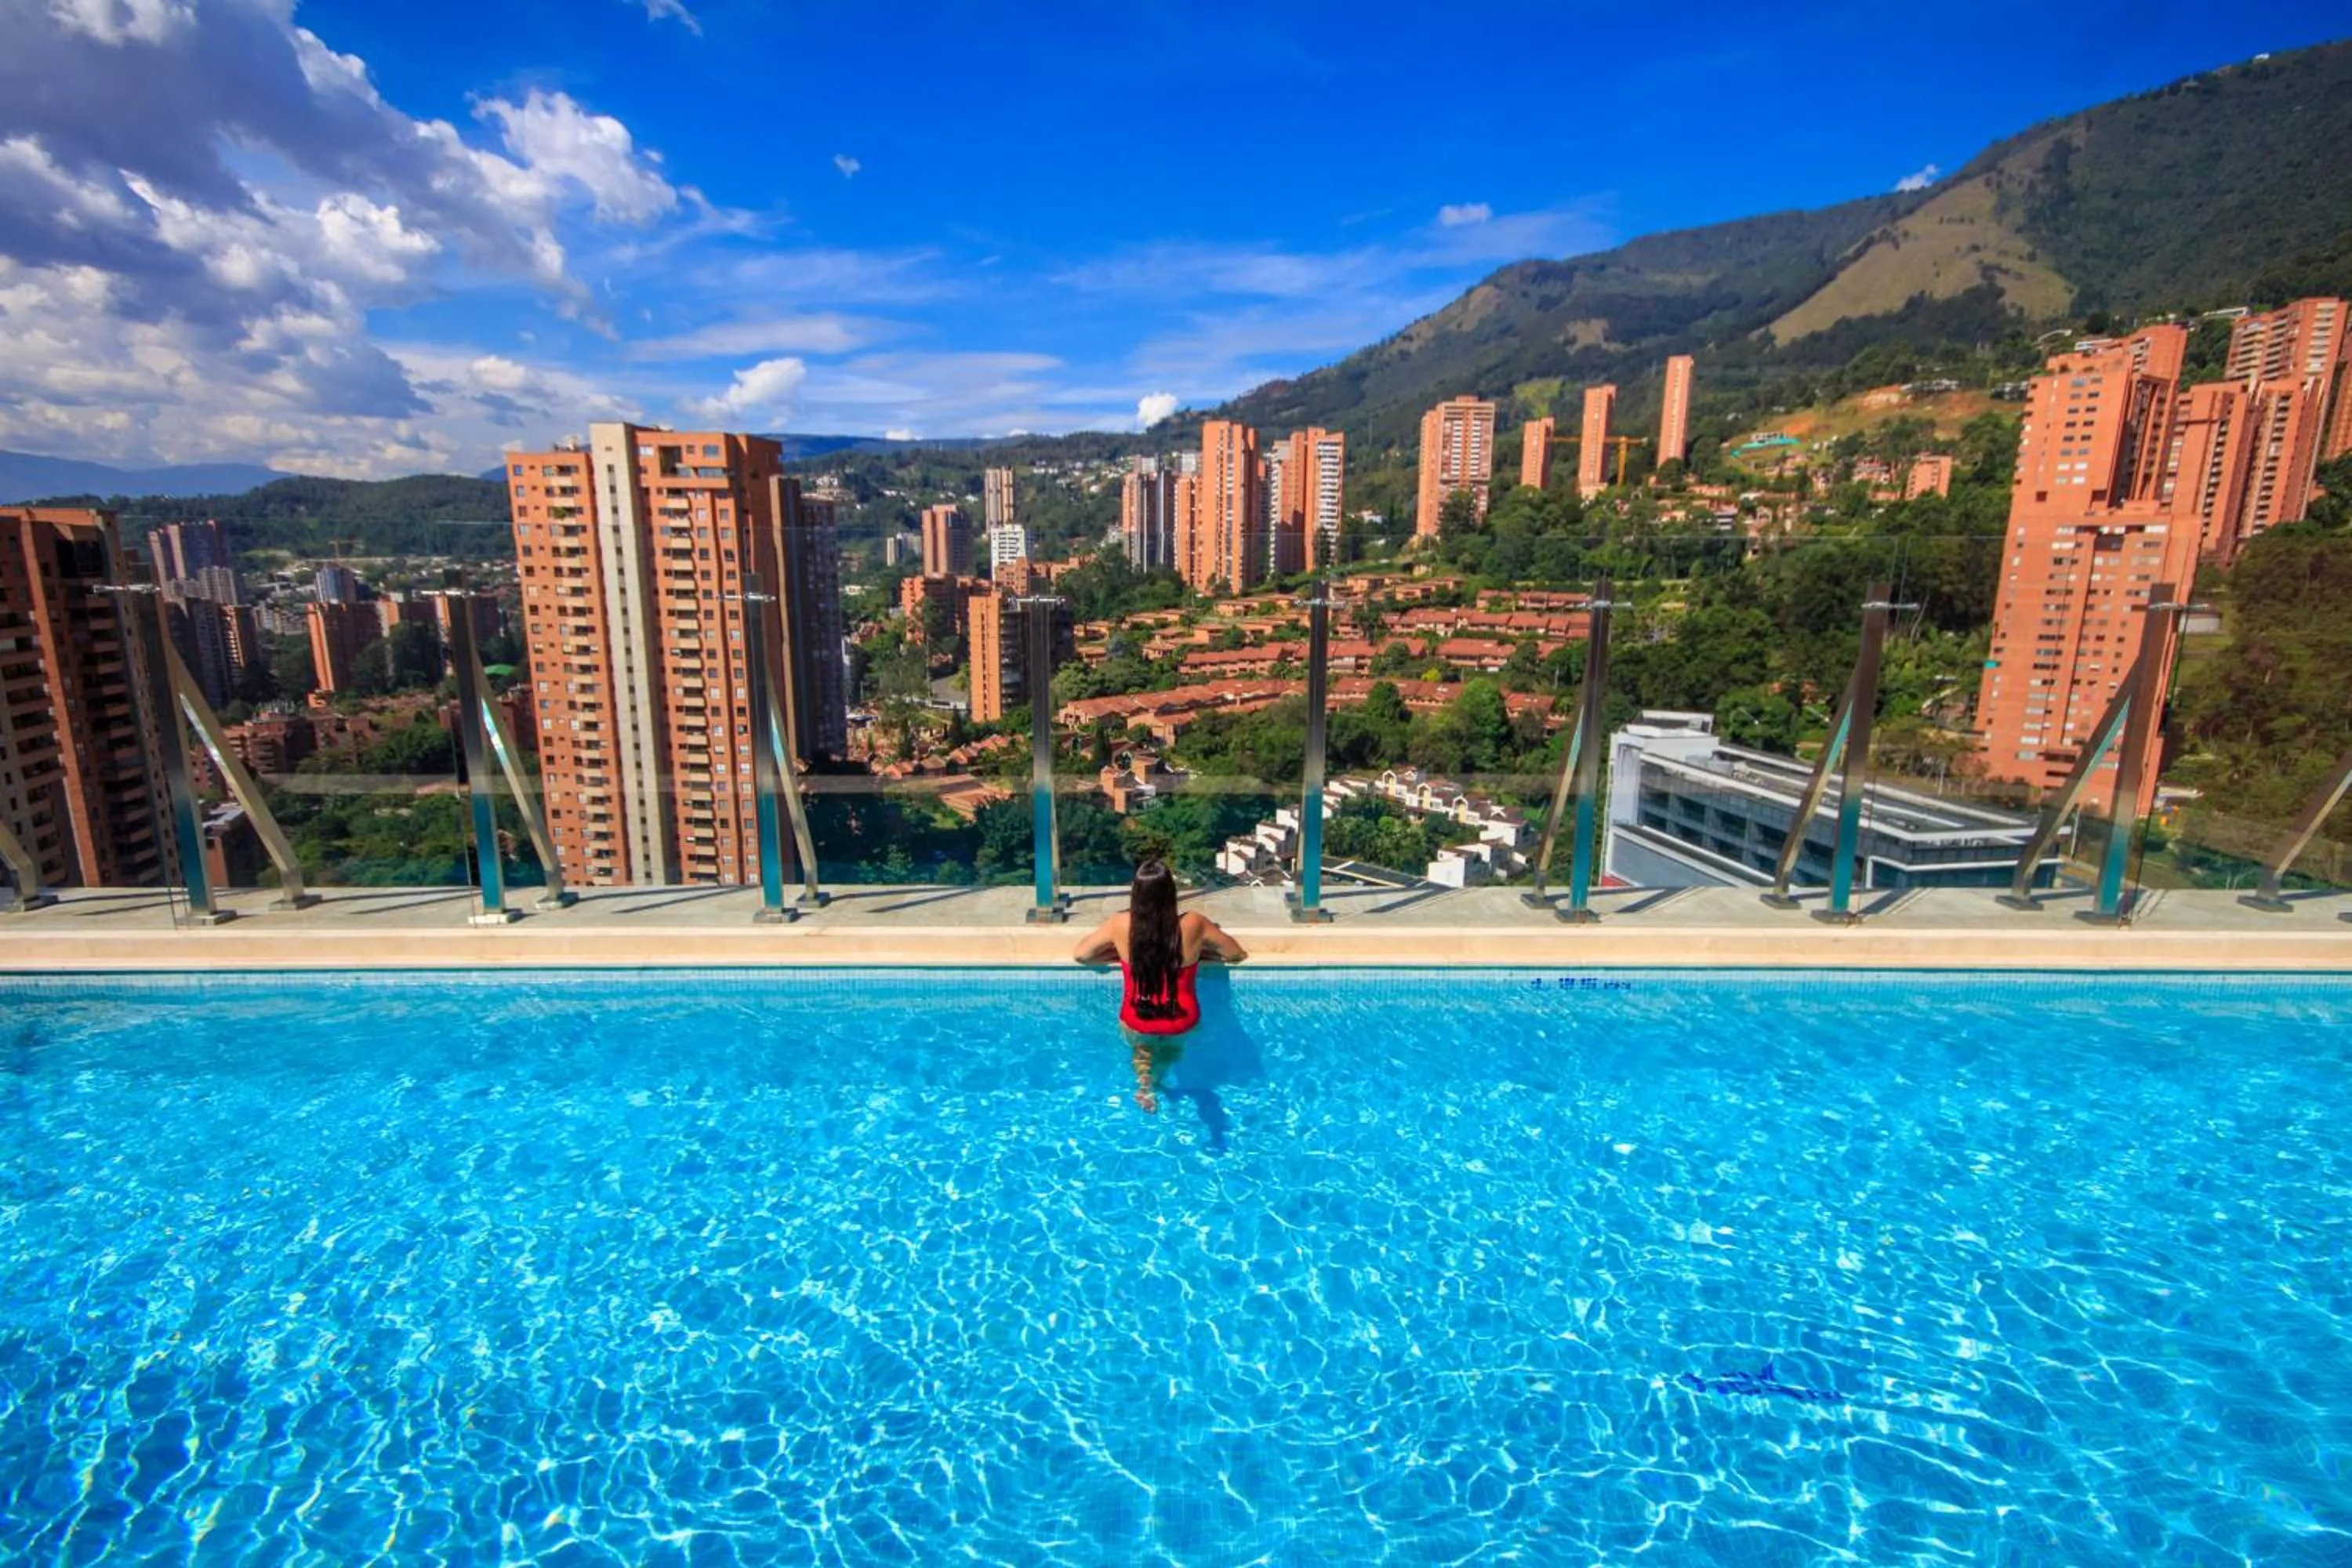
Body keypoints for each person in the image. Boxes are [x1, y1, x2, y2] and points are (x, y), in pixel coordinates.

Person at [1072, 860, 1247, 1112]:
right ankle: (1161, 1076)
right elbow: (1236, 954)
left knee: (1142, 1049)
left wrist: (1116, 955)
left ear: (1136, 894)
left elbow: (1081, 955)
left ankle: (1145, 1084)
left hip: (1138, 1017)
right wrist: (1201, 955)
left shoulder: (1120, 925)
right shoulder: (1194, 924)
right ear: (1171, 894)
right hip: (1182, 1019)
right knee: (1172, 1049)